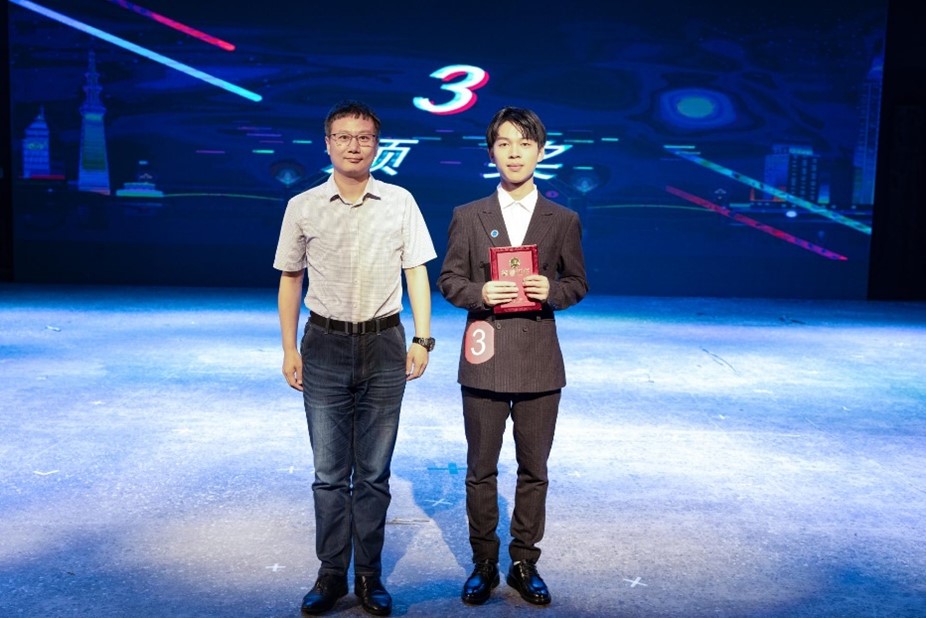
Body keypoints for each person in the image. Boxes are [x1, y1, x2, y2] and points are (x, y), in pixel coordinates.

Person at [275, 100, 437, 616]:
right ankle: (330, 574)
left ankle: (368, 575)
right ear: (327, 144)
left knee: (372, 473)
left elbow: (416, 270)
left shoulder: (400, 201)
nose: (353, 145)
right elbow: (290, 279)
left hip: (385, 345)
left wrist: (423, 338)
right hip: (323, 344)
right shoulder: (303, 205)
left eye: (364, 137)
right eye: (343, 137)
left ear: (377, 145)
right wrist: (289, 348)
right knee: (328, 473)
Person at [437, 106, 588, 607]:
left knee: (534, 469)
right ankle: (484, 562)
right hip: (486, 357)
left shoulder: (563, 219)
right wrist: (481, 292)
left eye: (524, 143)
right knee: (480, 469)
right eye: (504, 143)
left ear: (540, 152)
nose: (515, 153)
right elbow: (449, 281)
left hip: (539, 361)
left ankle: (524, 561)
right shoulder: (468, 215)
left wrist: (552, 291)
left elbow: (577, 282)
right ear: (492, 153)